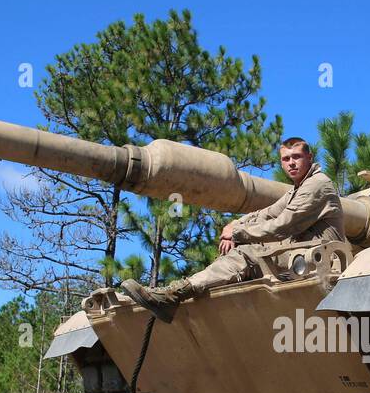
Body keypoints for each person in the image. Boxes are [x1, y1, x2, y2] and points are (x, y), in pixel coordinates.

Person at [120, 137, 344, 323]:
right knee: (241, 252)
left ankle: (176, 294)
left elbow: (283, 224)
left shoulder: (316, 185)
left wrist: (237, 235)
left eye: (296, 157)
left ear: (309, 158)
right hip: (297, 256)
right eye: (286, 159)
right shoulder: (297, 189)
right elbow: (267, 213)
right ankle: (184, 295)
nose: (291, 163)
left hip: (318, 259)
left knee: (245, 254)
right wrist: (234, 225)